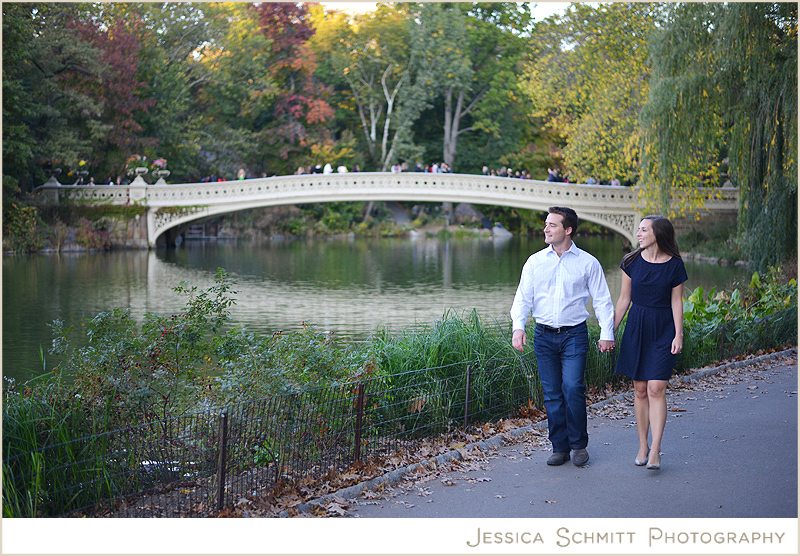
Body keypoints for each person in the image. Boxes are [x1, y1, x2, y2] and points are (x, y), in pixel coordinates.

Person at [510, 206, 616, 467]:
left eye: (552, 225)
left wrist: (607, 333)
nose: (545, 229)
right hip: (543, 335)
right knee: (552, 393)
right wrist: (518, 326)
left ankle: (578, 445)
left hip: (574, 335)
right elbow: (523, 297)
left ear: (568, 230)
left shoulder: (588, 263)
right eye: (546, 224)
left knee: (572, 388)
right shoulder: (535, 262)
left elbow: (602, 301)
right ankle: (559, 447)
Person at [613, 215, 687, 471]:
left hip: (664, 328)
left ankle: (655, 449)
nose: (639, 234)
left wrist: (678, 334)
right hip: (637, 326)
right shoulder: (631, 261)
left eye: (644, 230)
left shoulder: (675, 265)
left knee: (656, 387)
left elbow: (677, 301)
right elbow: (624, 299)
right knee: (640, 389)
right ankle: (643, 445)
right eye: (639, 229)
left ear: (658, 234)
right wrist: (610, 330)